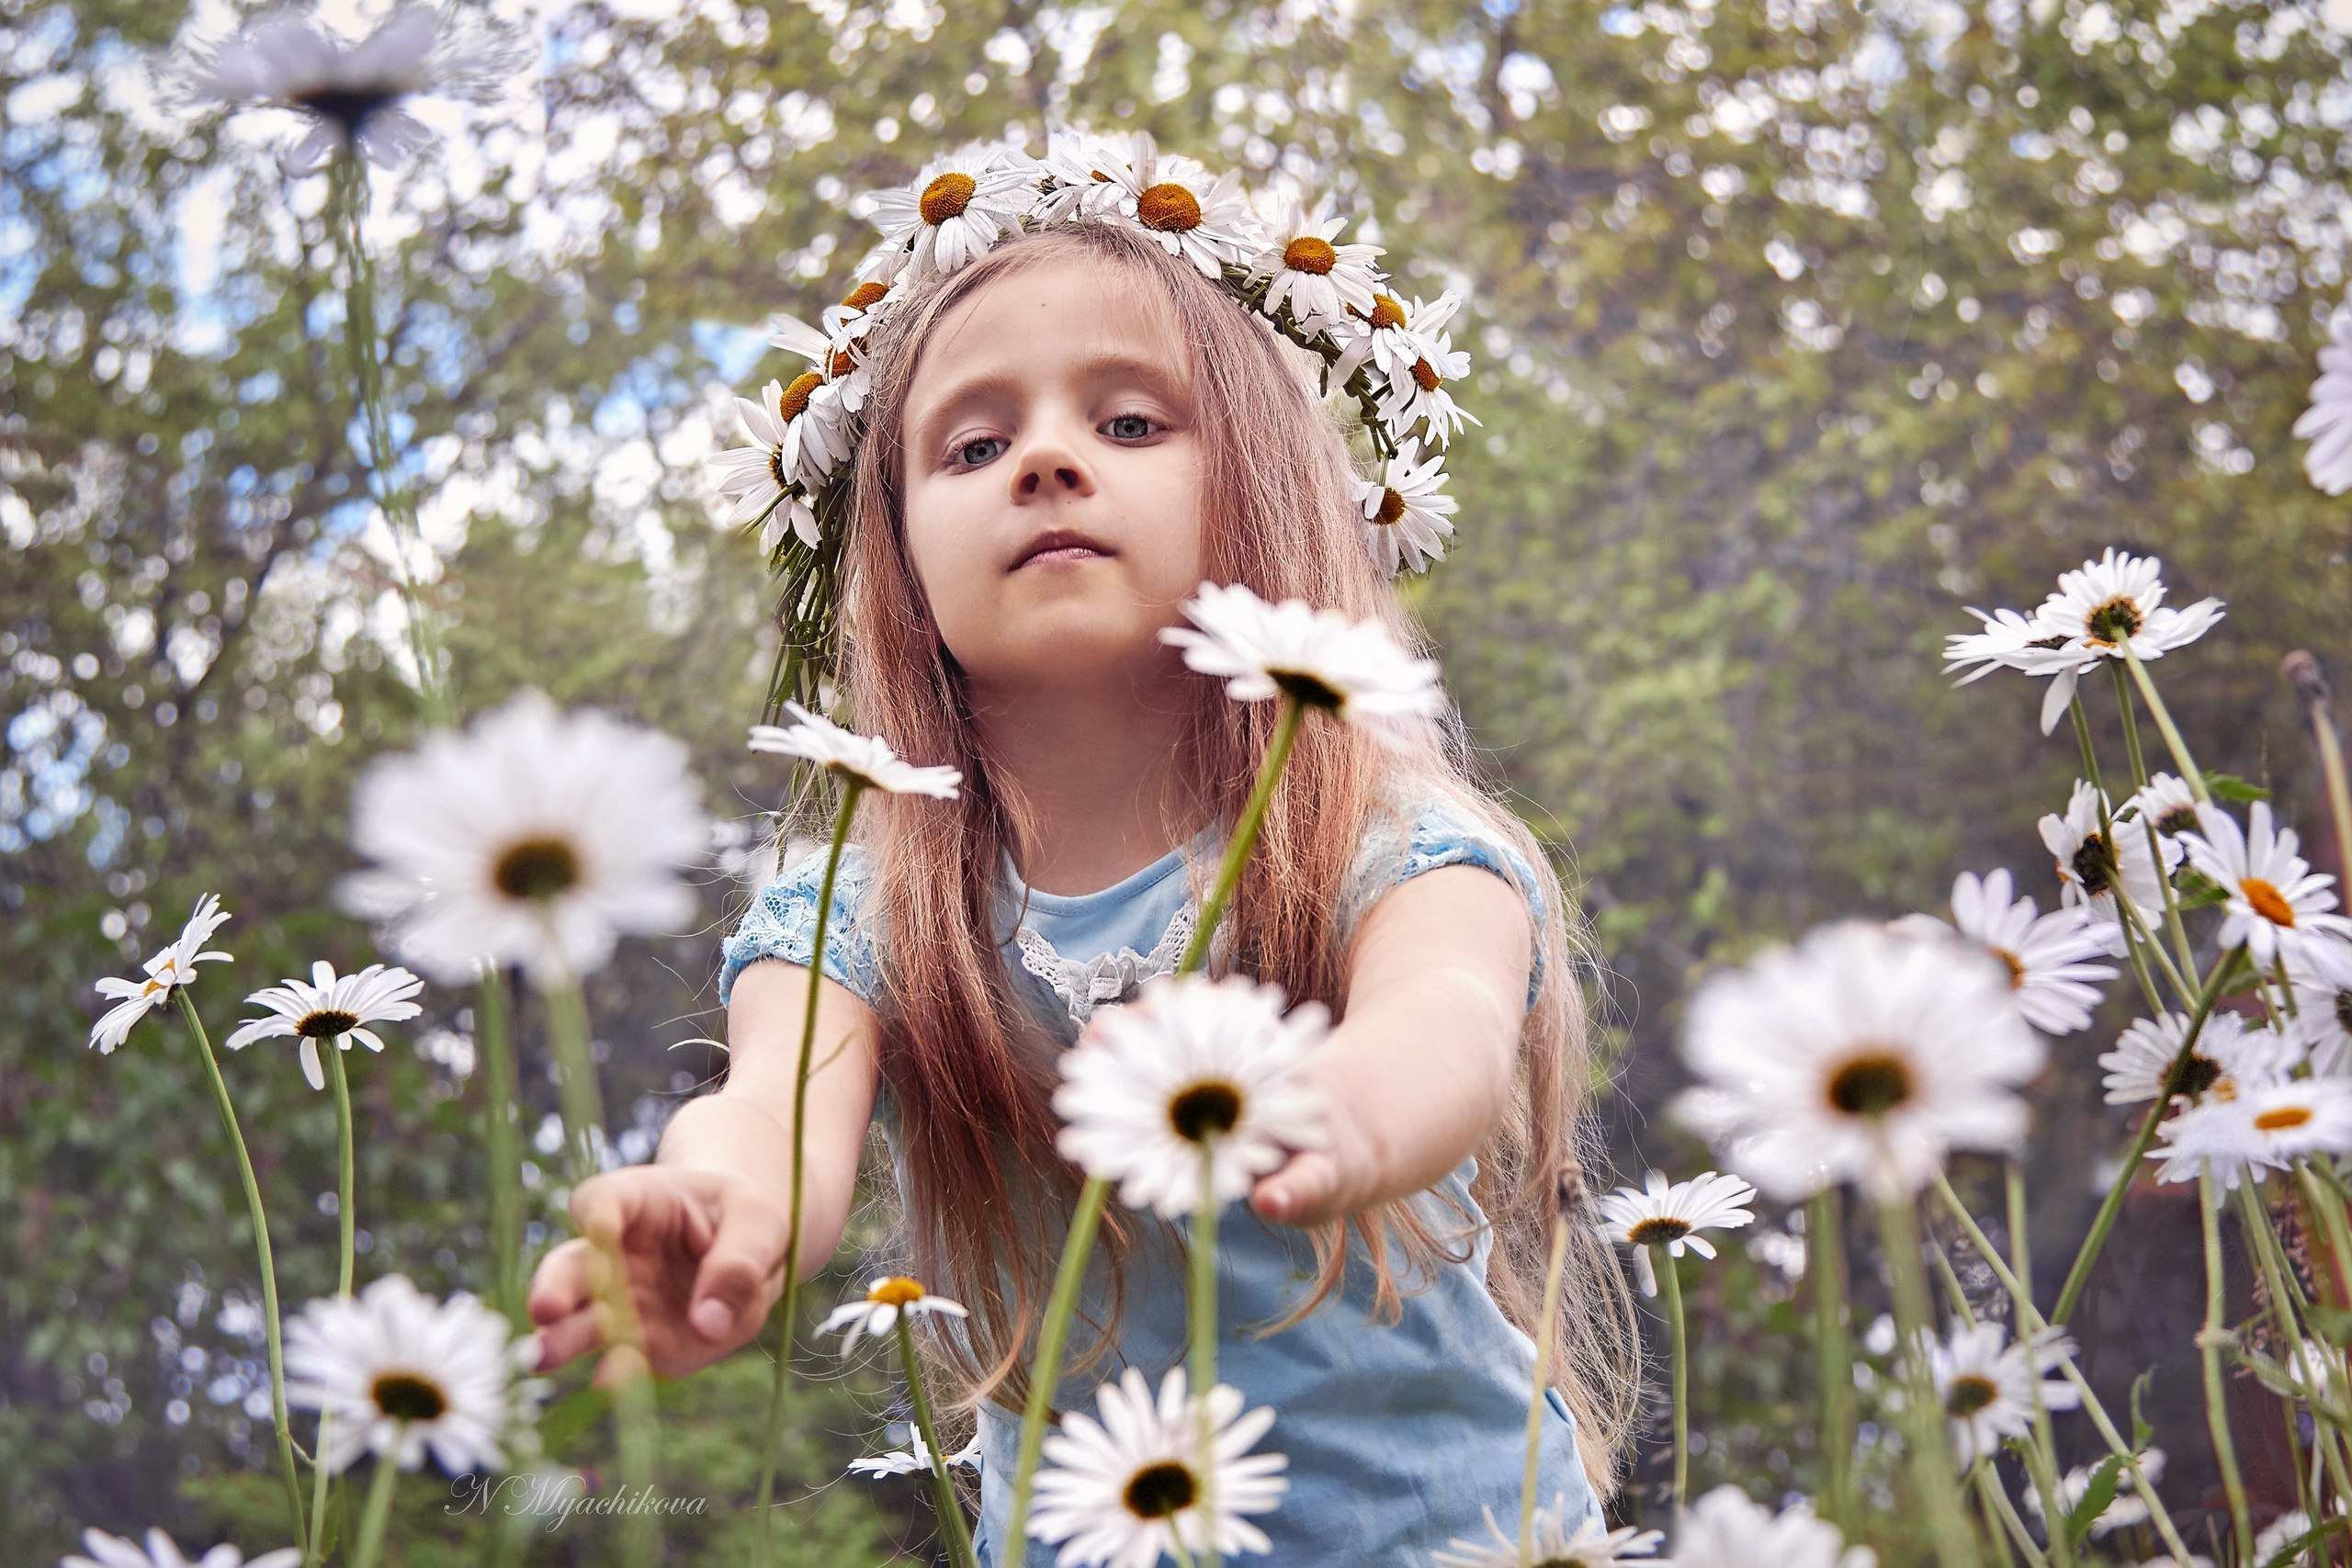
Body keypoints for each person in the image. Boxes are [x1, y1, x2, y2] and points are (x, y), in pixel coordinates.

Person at [526, 196, 1635, 1564]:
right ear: (900, 557)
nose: (1045, 460)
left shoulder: (1380, 831)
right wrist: (723, 1206)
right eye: (976, 444)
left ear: (1261, 488)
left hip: (1450, 1539)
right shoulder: (864, 908)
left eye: (1127, 423)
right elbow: (772, 1107)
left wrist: (1346, 1111)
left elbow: (1449, 1014)